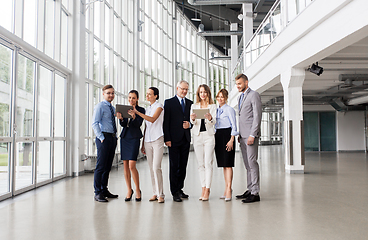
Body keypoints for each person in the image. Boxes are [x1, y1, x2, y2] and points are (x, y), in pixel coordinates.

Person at [133, 87, 165, 203]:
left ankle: (161, 194)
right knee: (151, 168)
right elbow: (146, 126)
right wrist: (143, 144)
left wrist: (137, 113)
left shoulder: (159, 106)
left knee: (156, 167)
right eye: (146, 94)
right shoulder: (147, 109)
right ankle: (155, 193)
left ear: (156, 95)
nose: (147, 96)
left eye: (150, 94)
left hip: (158, 139)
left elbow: (152, 119)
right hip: (147, 141)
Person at [163, 80, 193, 202]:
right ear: (177, 88)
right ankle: (174, 191)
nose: (184, 91)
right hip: (173, 140)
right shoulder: (169, 103)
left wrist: (190, 125)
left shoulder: (190, 103)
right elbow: (166, 122)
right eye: (182, 89)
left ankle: (180, 189)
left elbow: (193, 120)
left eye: (186, 89)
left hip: (185, 139)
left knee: (183, 165)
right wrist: (167, 138)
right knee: (174, 166)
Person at [234, 74, 262, 203]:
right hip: (243, 136)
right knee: (247, 164)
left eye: (240, 83)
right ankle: (250, 189)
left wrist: (252, 134)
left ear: (246, 82)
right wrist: (240, 134)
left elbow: (257, 116)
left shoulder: (254, 95)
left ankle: (255, 193)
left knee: (252, 163)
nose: (238, 86)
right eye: (237, 84)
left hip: (250, 136)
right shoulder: (241, 97)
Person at [116, 90, 145, 202]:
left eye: (133, 98)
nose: (131, 100)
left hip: (134, 138)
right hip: (125, 137)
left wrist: (134, 116)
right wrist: (121, 119)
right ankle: (129, 190)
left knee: (132, 165)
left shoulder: (141, 110)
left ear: (137, 98)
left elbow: (138, 124)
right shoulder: (125, 109)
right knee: (125, 166)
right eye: (129, 98)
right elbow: (123, 125)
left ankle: (137, 189)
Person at [91, 85, 119, 202]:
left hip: (112, 138)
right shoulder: (100, 106)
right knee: (101, 166)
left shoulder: (113, 109)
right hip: (104, 138)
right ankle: (97, 193)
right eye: (108, 93)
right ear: (103, 94)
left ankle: (104, 189)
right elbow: (95, 123)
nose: (111, 95)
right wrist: (101, 137)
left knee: (108, 166)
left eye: (112, 93)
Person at [190, 84, 216, 201]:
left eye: (205, 92)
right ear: (198, 94)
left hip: (209, 136)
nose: (203, 94)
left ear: (208, 93)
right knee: (200, 164)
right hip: (197, 136)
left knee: (208, 163)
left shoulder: (213, 106)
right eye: (201, 92)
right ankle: (203, 187)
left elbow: (214, 122)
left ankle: (208, 189)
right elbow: (193, 123)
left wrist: (210, 118)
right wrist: (193, 119)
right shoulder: (194, 106)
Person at [214, 89, 238, 202]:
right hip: (218, 135)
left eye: (222, 97)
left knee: (228, 164)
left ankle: (229, 189)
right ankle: (226, 188)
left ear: (226, 98)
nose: (220, 99)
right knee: (223, 164)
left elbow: (234, 126)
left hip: (227, 135)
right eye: (218, 96)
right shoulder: (215, 110)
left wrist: (231, 139)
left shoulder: (229, 109)